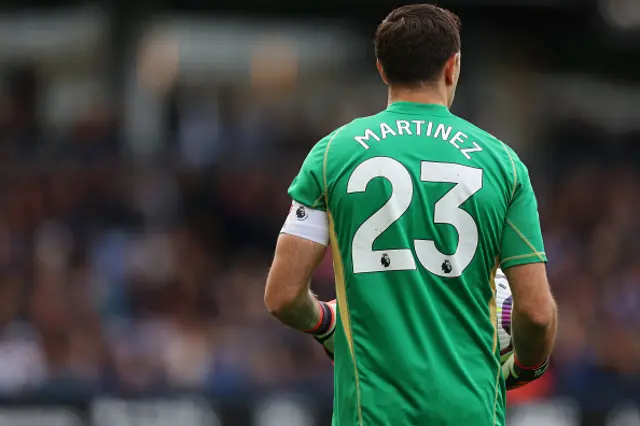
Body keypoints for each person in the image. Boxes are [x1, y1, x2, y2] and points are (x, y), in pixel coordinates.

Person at [264, 4, 557, 426]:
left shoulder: (332, 155)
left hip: (372, 415)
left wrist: (327, 323)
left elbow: (282, 296)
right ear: (452, 68)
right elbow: (536, 313)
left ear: (382, 69)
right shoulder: (503, 165)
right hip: (469, 412)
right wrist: (527, 367)